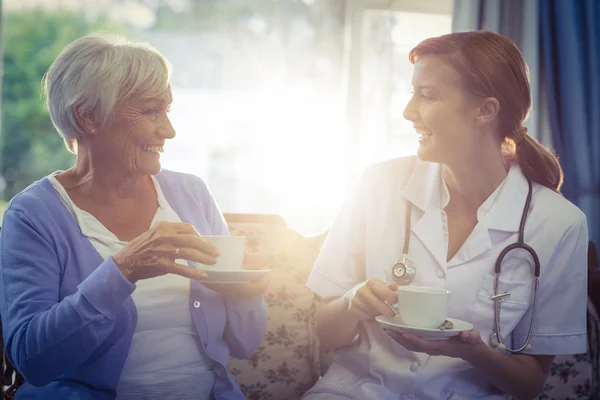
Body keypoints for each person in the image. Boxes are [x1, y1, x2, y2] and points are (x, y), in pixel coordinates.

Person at [303, 31, 589, 400]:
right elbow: (327, 333)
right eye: (412, 93)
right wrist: (351, 302)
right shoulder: (377, 185)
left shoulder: (559, 224)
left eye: (427, 95)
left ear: (485, 110)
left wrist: (473, 352)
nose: (408, 112)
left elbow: (529, 383)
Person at [0, 34, 268, 400]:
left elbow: (246, 343)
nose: (169, 131)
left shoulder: (192, 194)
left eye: (167, 110)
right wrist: (123, 269)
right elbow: (33, 360)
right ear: (87, 116)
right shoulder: (33, 216)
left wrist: (246, 294)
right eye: (150, 111)